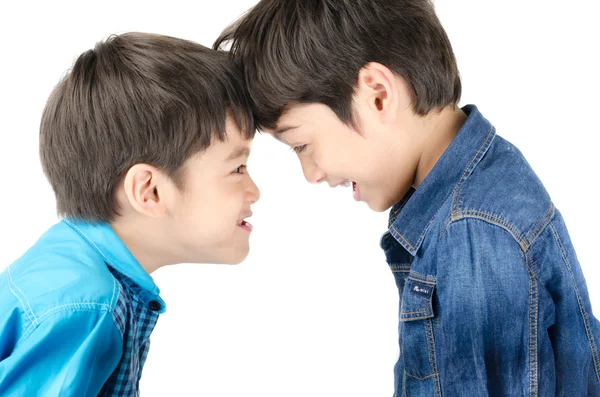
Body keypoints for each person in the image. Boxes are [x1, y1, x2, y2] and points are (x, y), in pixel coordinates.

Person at [214, 0, 600, 395]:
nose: (311, 174)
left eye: (302, 144)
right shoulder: (477, 189)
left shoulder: (471, 231)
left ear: (378, 95)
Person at [0, 32, 259, 396]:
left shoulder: (73, 267)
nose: (254, 192)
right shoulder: (87, 306)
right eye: (237, 168)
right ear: (149, 191)